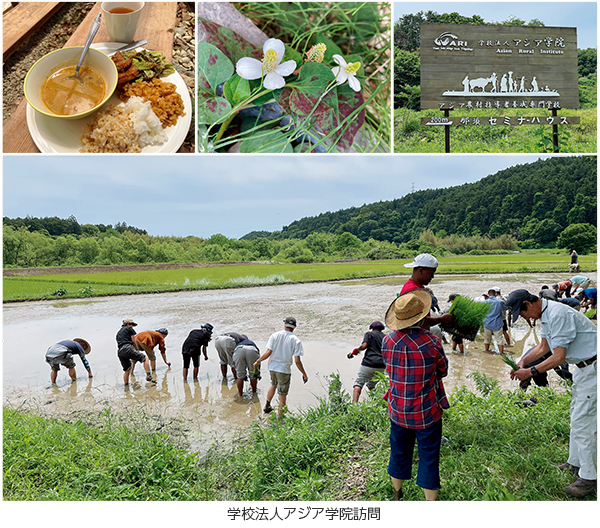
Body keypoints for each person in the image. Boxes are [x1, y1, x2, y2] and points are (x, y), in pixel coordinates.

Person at [506, 289, 597, 498]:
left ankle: (589, 478)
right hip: (583, 369)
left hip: (593, 369)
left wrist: (529, 372)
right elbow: (544, 346)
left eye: (523, 313)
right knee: (577, 418)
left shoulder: (557, 314)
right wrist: (523, 361)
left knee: (584, 423)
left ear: (529, 304)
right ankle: (575, 463)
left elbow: (558, 357)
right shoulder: (546, 314)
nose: (525, 318)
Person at [382, 289, 449, 501]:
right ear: (422, 316)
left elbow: (389, 368)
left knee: (399, 452)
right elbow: (443, 371)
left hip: (398, 409)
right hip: (427, 411)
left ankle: (397, 493)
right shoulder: (432, 342)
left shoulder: (388, 341)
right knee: (429, 457)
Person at [254, 317, 308, 417]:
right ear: (294, 327)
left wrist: (258, 361)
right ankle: (280, 418)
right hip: (284, 370)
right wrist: (304, 373)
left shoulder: (275, 335)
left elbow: (268, 352)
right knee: (282, 394)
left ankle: (267, 405)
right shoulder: (296, 340)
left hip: (272, 367)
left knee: (273, 384)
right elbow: (297, 361)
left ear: (285, 325)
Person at [400, 254, 453, 329]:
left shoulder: (418, 287)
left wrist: (439, 317)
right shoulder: (413, 290)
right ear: (421, 271)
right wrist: (441, 319)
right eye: (431, 273)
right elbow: (416, 320)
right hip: (415, 336)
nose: (432, 277)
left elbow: (423, 315)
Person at [348, 321, 386, 402]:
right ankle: (376, 402)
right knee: (372, 384)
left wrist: (355, 351)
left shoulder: (369, 334)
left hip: (368, 363)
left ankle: (354, 406)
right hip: (381, 365)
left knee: (359, 383)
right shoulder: (385, 337)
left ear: (372, 328)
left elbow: (364, 346)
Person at [116, 318, 153, 384]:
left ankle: (126, 387)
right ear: (128, 324)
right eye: (131, 325)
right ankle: (149, 376)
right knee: (145, 359)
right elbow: (133, 341)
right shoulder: (129, 329)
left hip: (120, 352)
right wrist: (136, 350)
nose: (132, 326)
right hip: (127, 348)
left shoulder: (118, 333)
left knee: (127, 370)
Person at [483, 289, 506, 354]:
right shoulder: (500, 301)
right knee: (499, 339)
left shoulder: (484, 302)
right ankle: (501, 353)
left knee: (487, 338)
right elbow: (505, 309)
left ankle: (487, 350)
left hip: (487, 323)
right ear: (495, 294)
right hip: (497, 323)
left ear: (488, 295)